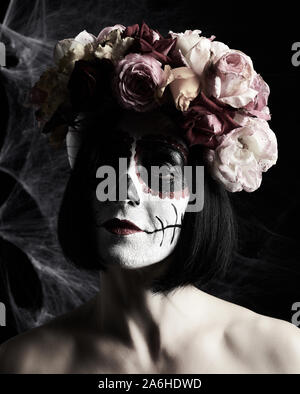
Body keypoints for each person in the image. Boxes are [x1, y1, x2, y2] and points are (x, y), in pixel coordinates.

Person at [1, 23, 300, 374]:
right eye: (107, 160)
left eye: (160, 165)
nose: (124, 184)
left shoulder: (281, 356)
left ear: (200, 193)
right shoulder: (23, 364)